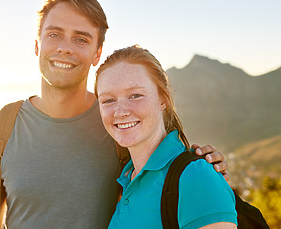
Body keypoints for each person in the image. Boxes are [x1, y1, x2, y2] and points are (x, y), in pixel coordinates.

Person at [0, 0, 229, 228]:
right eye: (54, 34)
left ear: (97, 53)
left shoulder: (116, 123)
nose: (64, 48)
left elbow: (166, 168)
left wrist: (205, 164)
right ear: (37, 44)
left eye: (81, 39)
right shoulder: (2, 125)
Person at [95, 45, 238, 228]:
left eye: (135, 95)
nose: (120, 111)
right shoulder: (126, 177)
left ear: (163, 99)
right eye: (108, 100)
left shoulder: (196, 176)